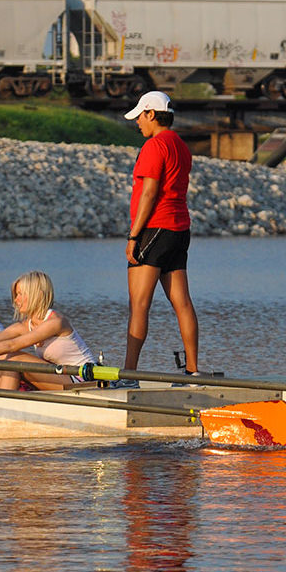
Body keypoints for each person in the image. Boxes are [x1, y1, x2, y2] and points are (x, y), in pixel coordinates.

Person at [122, 89, 200, 378]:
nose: (138, 122)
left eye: (140, 116)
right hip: (179, 230)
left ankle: (129, 373)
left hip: (154, 228)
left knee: (138, 305)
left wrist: (134, 235)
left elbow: (150, 193)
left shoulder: (154, 147)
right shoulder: (181, 144)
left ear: (151, 114)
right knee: (182, 302)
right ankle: (193, 370)